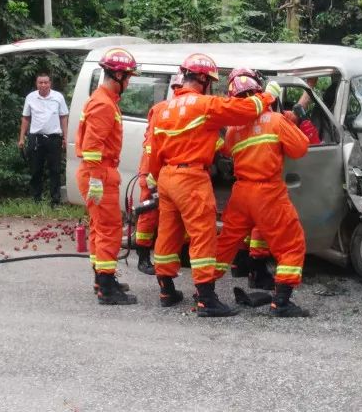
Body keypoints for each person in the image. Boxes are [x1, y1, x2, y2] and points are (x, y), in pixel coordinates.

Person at [148, 53, 275, 316]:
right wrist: (268, 96)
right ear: (204, 79)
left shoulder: (162, 109)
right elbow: (245, 110)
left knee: (168, 233)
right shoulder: (205, 105)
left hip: (167, 177)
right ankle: (206, 299)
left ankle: (166, 290)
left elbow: (153, 152)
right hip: (191, 179)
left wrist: (155, 179)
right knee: (202, 235)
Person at [213, 68, 311, 317]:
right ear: (260, 91)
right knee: (291, 245)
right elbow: (300, 149)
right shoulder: (276, 121)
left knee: (225, 244)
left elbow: (226, 151)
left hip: (241, 193)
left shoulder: (234, 129)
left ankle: (205, 290)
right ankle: (282, 302)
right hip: (268, 193)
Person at [76, 48, 138, 305]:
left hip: (98, 172)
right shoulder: (103, 103)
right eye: (129, 77)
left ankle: (103, 278)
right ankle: (106, 287)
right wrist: (96, 180)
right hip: (99, 172)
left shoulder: (104, 99)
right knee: (110, 229)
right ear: (118, 75)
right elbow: (92, 147)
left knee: (100, 228)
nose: (130, 81)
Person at [133, 73, 184, 275]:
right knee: (149, 213)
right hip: (153, 168)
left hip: (164, 168)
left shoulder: (177, 109)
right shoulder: (163, 109)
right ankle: (143, 257)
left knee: (170, 214)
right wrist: (152, 172)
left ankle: (175, 256)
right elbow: (152, 144)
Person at [18, 73, 69, 205]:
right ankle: (36, 199)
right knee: (36, 169)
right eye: (40, 82)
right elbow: (26, 118)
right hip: (36, 137)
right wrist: (22, 138)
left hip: (54, 138)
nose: (43, 85)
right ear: (37, 84)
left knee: (55, 170)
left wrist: (65, 136)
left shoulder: (58, 97)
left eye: (46, 82)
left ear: (50, 83)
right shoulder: (31, 97)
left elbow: (63, 117)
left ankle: (55, 200)